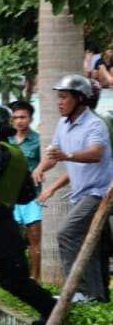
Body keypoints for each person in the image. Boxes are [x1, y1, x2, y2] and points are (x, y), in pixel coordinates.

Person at [34, 74, 113, 302]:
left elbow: (95, 153)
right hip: (81, 194)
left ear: (79, 99)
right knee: (96, 246)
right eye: (58, 97)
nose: (59, 102)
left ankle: (78, 291)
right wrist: (41, 168)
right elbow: (54, 153)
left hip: (100, 193)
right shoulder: (63, 124)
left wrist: (66, 155)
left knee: (67, 234)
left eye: (64, 98)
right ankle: (97, 296)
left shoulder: (94, 124)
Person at [0, 105, 56, 325]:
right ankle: (49, 307)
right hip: (6, 223)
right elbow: (26, 195)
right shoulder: (17, 154)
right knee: (13, 280)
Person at [9, 100, 43, 281]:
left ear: (30, 119)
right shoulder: (7, 140)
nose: (19, 121)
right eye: (15, 117)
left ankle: (34, 277)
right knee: (11, 238)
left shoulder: (38, 141)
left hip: (32, 196)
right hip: (11, 196)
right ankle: (15, 275)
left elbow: (43, 166)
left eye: (23, 117)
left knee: (34, 237)